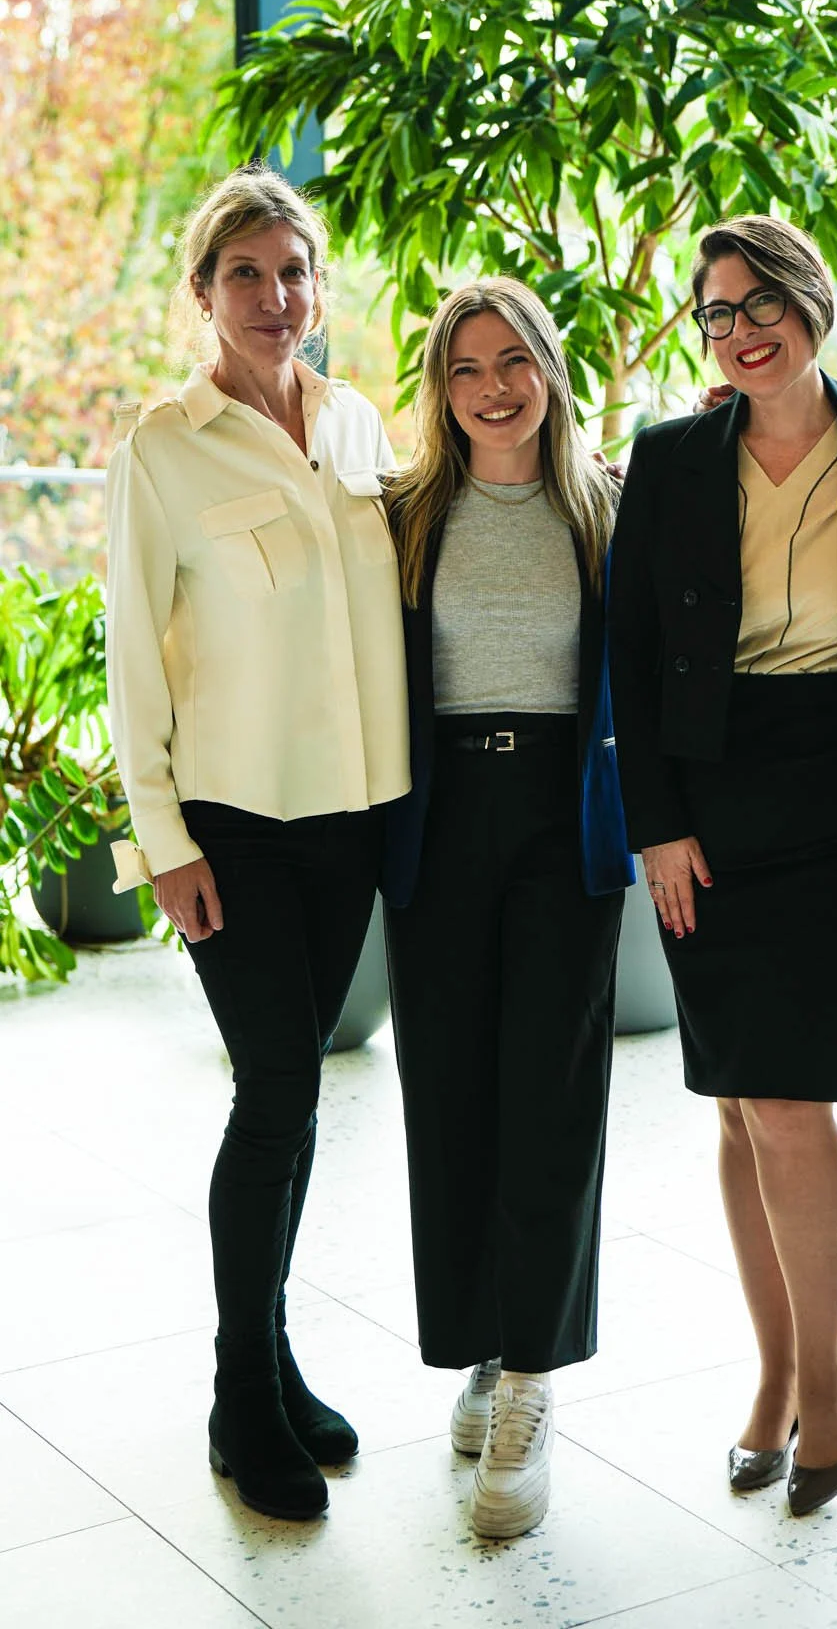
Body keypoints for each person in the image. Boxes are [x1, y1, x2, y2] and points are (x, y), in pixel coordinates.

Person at [609, 215, 837, 1516]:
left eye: (762, 303)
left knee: (792, 1099)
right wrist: (654, 823)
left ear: (812, 302)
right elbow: (632, 660)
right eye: (715, 312)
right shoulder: (673, 457)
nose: (741, 329)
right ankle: (775, 1372)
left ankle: (825, 1383)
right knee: (739, 1103)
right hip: (711, 799)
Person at [105, 166, 410, 1522]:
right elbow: (130, 659)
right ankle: (241, 1394)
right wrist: (161, 838)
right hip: (230, 822)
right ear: (203, 294)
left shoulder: (355, 425)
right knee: (276, 1089)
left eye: (294, 274)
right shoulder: (162, 447)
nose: (275, 299)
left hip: (350, 814)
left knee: (298, 1104)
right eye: (247, 276)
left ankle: (272, 1357)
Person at [380, 278, 631, 1542]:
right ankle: (479, 1346)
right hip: (438, 823)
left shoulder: (606, 509)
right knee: (454, 1097)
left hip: (562, 827)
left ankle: (533, 1375)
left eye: (514, 358)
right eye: (467, 365)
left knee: (552, 1093)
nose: (494, 385)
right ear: (441, 387)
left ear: (548, 367)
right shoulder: (400, 514)